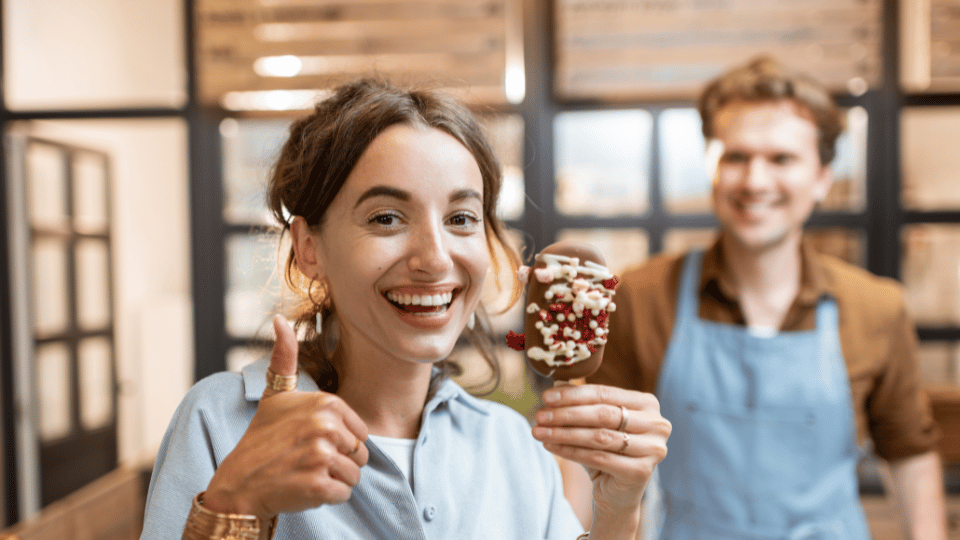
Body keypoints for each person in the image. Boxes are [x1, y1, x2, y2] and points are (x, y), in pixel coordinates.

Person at [139, 78, 671, 540]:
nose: (435, 258)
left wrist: (618, 510)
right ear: (309, 247)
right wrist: (236, 504)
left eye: (461, 218)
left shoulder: (510, 445)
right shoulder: (220, 423)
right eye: (387, 218)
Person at [583, 56, 949, 539]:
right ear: (710, 165)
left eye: (781, 159)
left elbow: (909, 455)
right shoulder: (641, 296)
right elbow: (594, 452)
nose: (755, 182)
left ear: (821, 177)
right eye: (736, 156)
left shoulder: (876, 307)